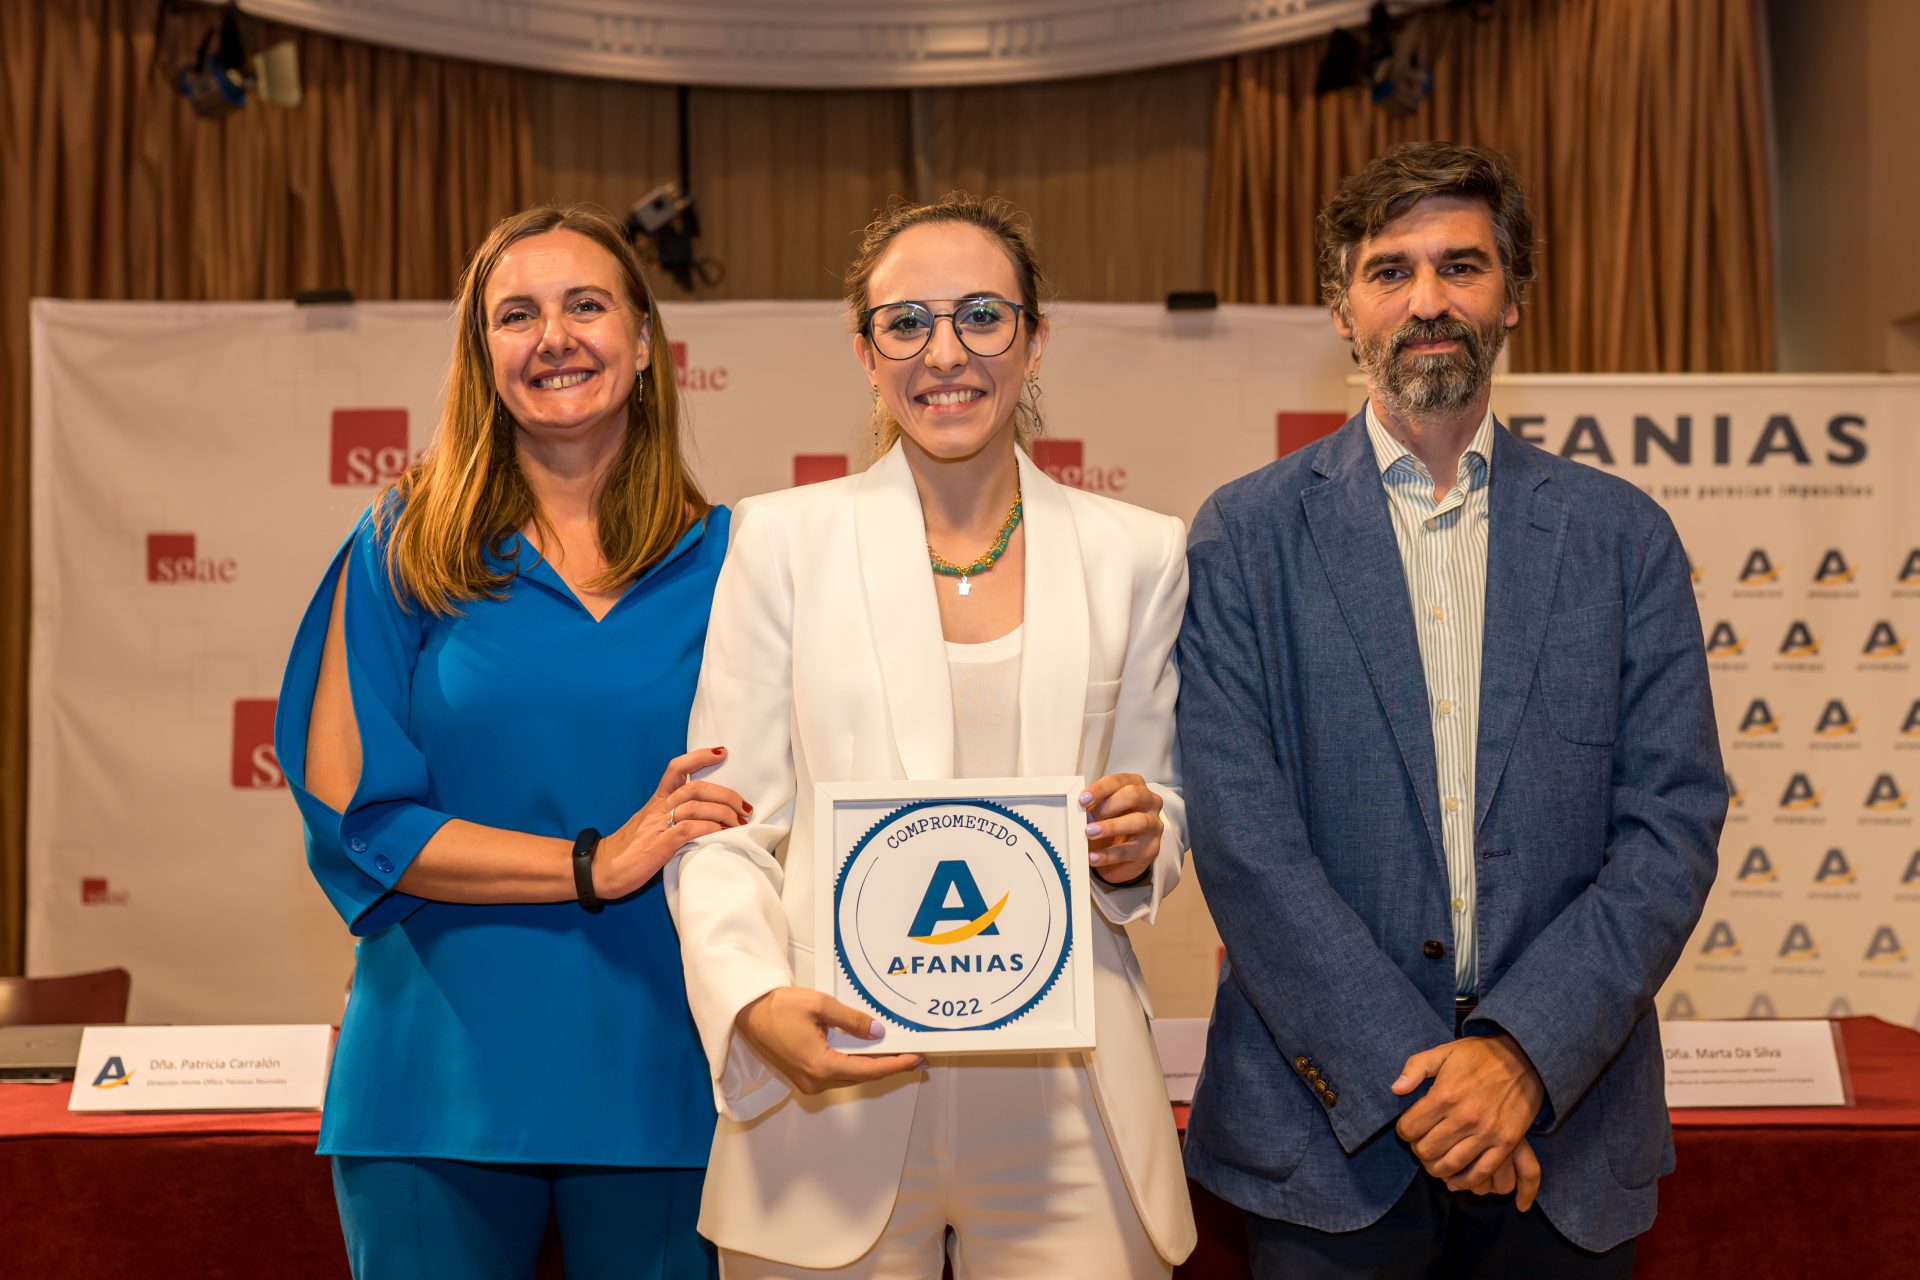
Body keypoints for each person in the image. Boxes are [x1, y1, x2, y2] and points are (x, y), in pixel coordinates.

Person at [1176, 141, 1726, 1277]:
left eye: (1460, 266)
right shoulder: (1245, 536)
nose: (1426, 300)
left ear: (1513, 295)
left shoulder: (1625, 539)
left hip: (1564, 1131)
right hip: (1326, 1146)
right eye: (1389, 271)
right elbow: (1244, 840)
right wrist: (1430, 1086)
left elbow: (1671, 821)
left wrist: (1521, 1057)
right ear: (1342, 307)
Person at [663, 193, 1197, 1278]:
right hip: (836, 1074)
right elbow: (724, 828)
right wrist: (754, 1000)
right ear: (866, 353)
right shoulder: (779, 542)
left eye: (982, 316)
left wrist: (1145, 836)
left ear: (1034, 339)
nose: (944, 351)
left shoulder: (1139, 552)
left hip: (1067, 1095)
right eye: (906, 322)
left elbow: (1162, 801)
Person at [275, 204, 748, 1280]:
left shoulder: (737, 559)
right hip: (434, 1081)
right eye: (516, 314)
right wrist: (592, 860)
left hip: (667, 1071)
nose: (555, 336)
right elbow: (360, 819)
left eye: (588, 305)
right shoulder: (400, 543)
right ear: (482, 355)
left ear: (643, 341)